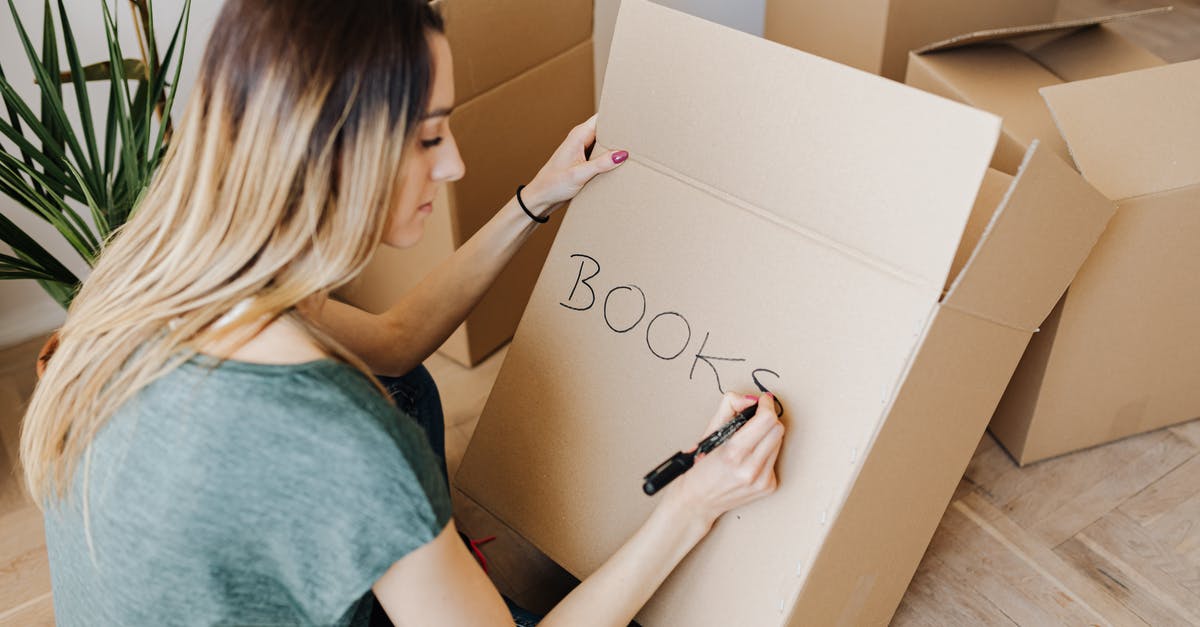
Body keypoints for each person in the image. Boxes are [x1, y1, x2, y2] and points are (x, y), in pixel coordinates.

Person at [20, 1, 786, 625]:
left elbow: (391, 342)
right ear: (333, 154)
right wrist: (696, 499)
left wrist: (535, 198)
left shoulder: (150, 276)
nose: (452, 164)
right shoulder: (348, 446)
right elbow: (353, 445)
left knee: (408, 382)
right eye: (428, 136)